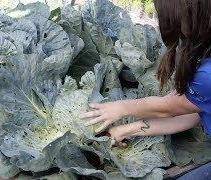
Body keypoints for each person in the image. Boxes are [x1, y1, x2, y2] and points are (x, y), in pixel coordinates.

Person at [79, 0, 211, 179]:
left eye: (162, 17)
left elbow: (168, 108)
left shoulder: (207, 74)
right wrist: (125, 130)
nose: (159, 21)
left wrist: (121, 108)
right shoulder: (204, 56)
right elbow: (195, 114)